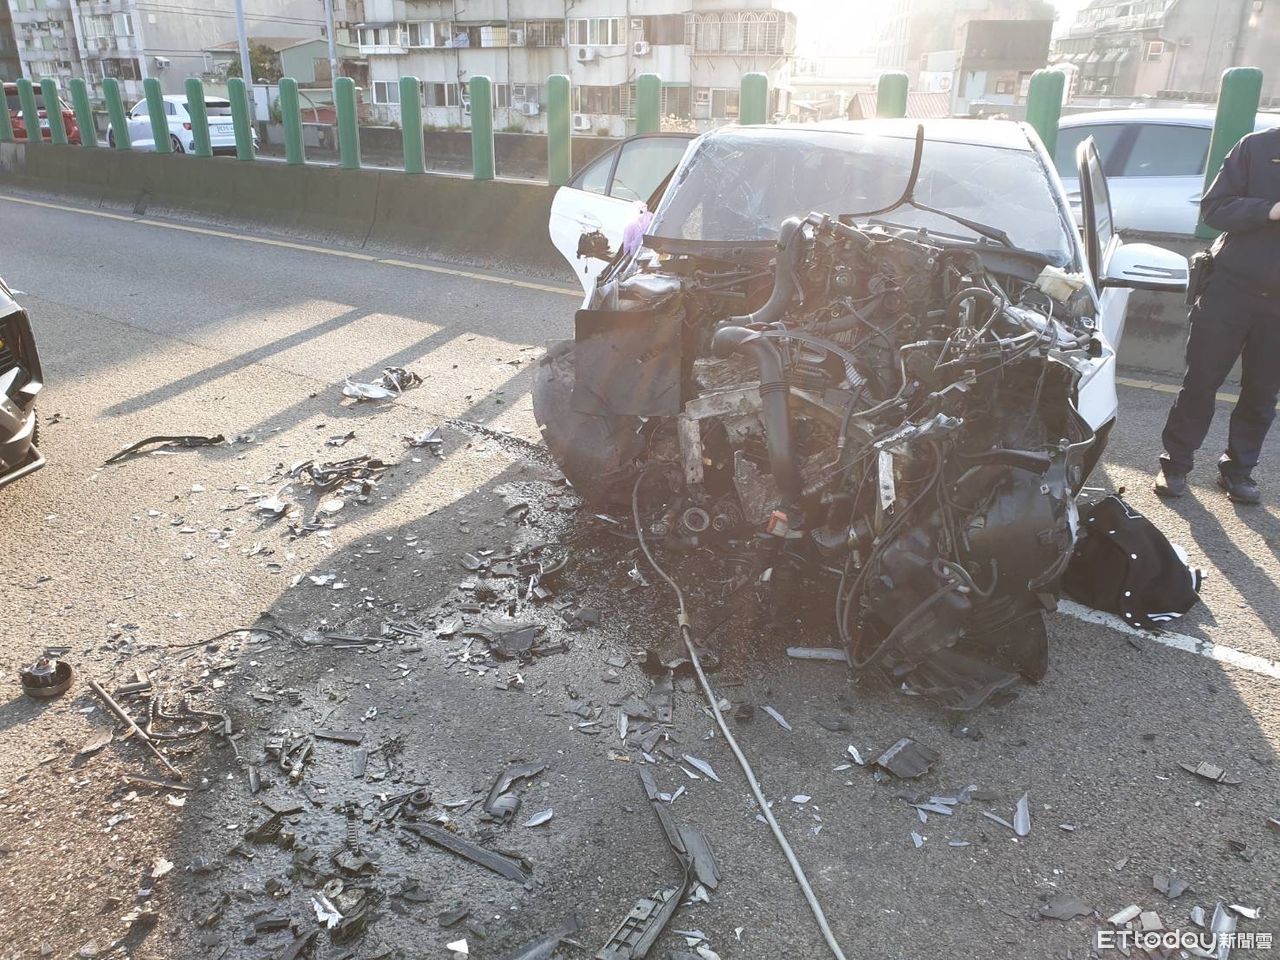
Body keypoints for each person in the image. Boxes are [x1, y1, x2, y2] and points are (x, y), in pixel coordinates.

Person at [1155, 124, 1280, 504]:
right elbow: (1214, 209)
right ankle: (1175, 464)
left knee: (1262, 393)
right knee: (1200, 383)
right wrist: (1269, 209)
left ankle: (1238, 471)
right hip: (1230, 290)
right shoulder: (1256, 146)